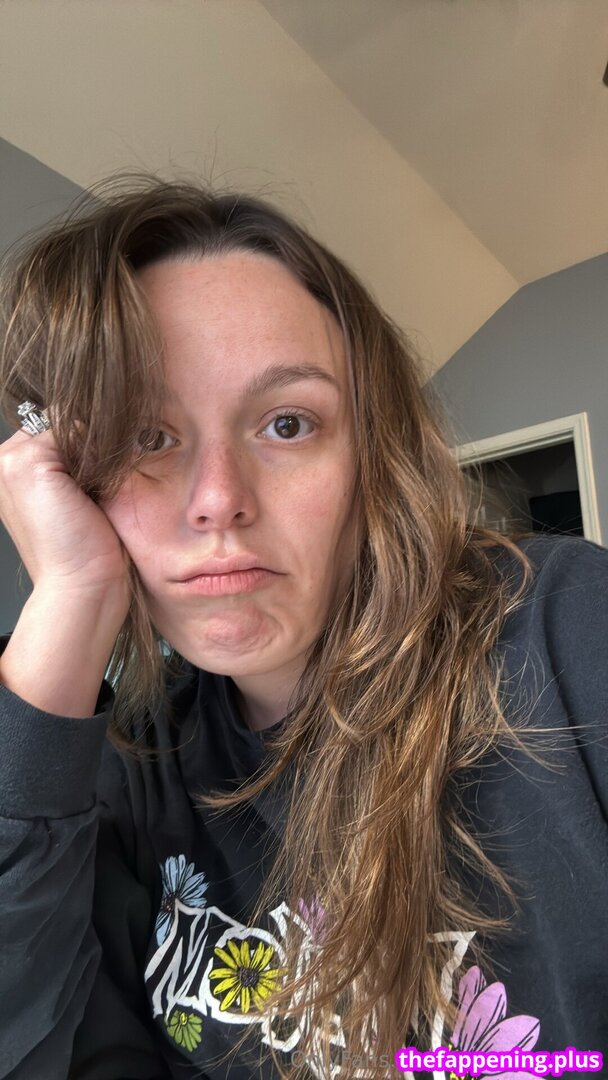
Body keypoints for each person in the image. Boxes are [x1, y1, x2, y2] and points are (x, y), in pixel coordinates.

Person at [0, 177, 606, 1080]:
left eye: (287, 424)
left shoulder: (565, 630)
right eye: (146, 437)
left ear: (373, 456)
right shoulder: (137, 763)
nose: (218, 501)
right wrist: (70, 599)